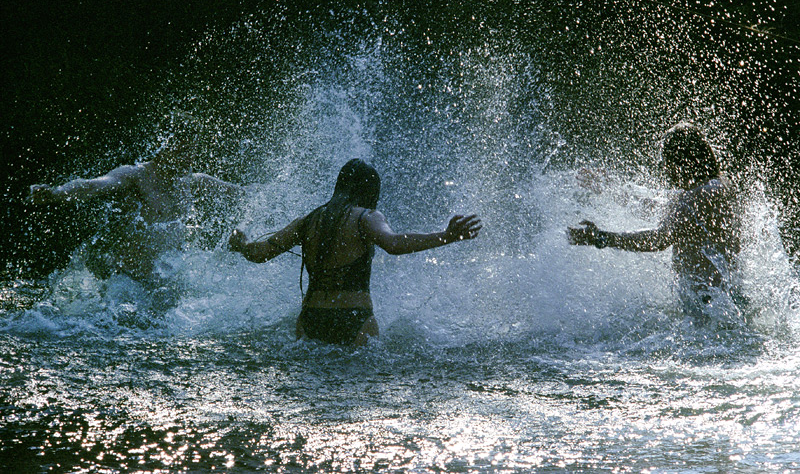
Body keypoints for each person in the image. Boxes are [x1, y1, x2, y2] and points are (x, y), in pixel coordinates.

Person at [228, 158, 482, 346]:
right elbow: (393, 244)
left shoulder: (308, 220)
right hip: (355, 319)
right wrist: (447, 237)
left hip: (310, 320)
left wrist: (241, 244)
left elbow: (259, 253)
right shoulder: (366, 217)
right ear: (369, 192)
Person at [568, 122, 744, 319]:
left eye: (667, 162)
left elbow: (658, 239)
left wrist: (601, 238)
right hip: (725, 304)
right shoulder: (721, 187)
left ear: (682, 161)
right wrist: (608, 189)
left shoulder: (695, 197)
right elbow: (655, 207)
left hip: (706, 309)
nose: (665, 170)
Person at [27, 126, 244, 283]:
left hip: (163, 282)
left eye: (192, 151)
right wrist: (57, 193)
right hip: (125, 283)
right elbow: (93, 185)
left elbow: (242, 193)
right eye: (183, 151)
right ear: (165, 148)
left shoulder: (191, 182)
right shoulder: (135, 176)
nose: (189, 159)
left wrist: (277, 187)